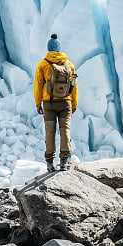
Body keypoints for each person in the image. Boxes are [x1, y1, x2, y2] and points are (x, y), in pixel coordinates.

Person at [34, 34, 78, 172]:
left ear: (48, 48)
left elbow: (38, 85)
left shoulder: (43, 64)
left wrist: (38, 103)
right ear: (59, 48)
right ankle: (64, 162)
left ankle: (49, 163)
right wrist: (74, 103)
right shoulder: (69, 64)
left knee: (50, 132)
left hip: (49, 104)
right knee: (65, 131)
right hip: (65, 103)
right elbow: (74, 86)